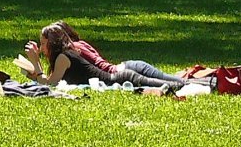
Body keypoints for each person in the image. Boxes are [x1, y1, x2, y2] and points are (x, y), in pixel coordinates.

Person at [22, 21, 198, 93]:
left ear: (52, 43)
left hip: (123, 78)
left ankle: (214, 85)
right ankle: (212, 84)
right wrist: (35, 72)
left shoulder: (64, 57)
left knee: (176, 86)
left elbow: (50, 84)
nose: (42, 47)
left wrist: (36, 63)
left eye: (43, 43)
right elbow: (51, 80)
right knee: (178, 85)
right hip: (124, 75)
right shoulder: (68, 54)